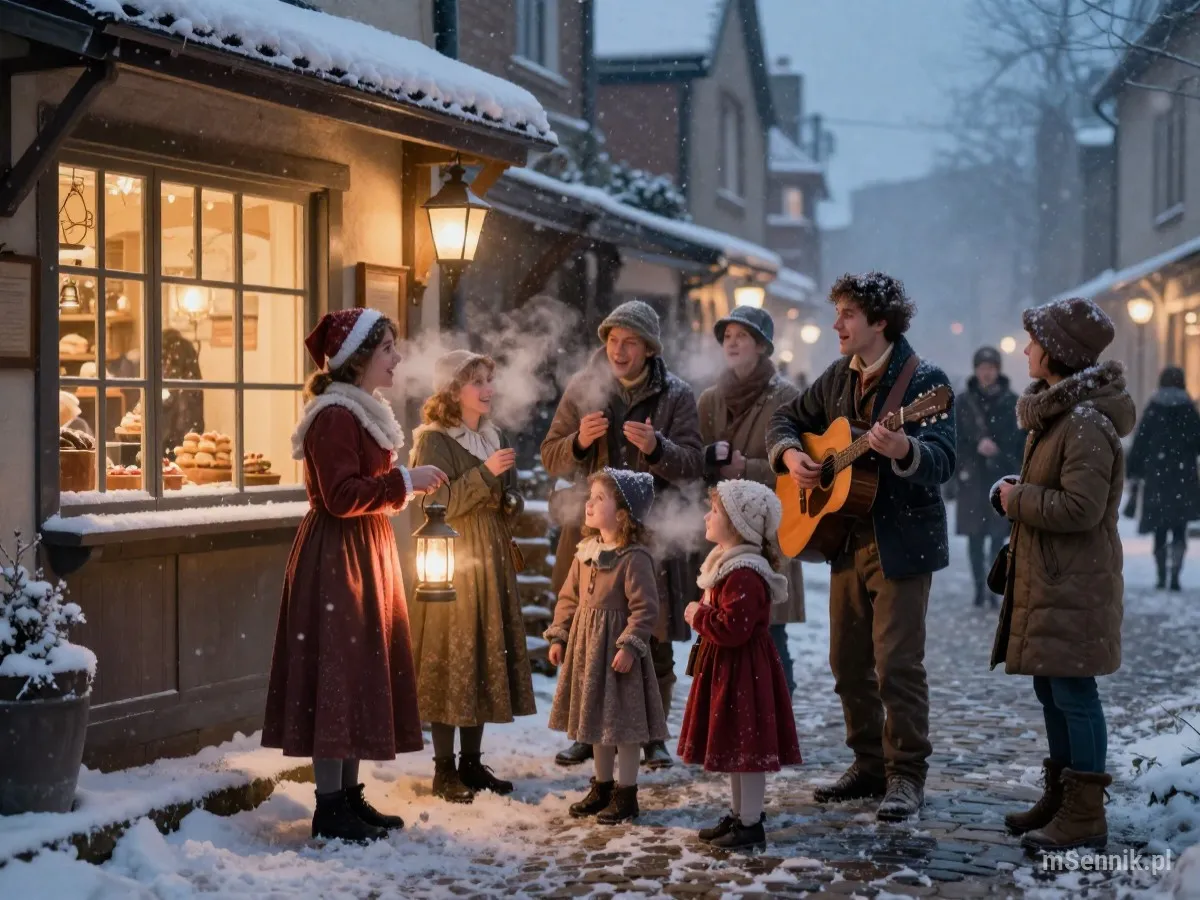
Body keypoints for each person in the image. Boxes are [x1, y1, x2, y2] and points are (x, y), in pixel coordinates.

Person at [766, 271, 956, 821]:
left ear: (879, 321)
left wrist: (904, 450)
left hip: (903, 542)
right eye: (838, 313)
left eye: (848, 314)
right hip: (846, 537)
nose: (836, 324)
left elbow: (944, 458)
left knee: (896, 663)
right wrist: (789, 456)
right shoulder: (837, 377)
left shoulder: (927, 382)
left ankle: (906, 775)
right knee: (847, 662)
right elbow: (787, 419)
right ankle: (869, 763)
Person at [262, 307, 449, 844]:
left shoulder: (361, 410)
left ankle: (347, 796)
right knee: (336, 673)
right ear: (359, 359)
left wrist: (400, 484)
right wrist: (403, 481)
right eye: (388, 348)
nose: (397, 358)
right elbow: (342, 497)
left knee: (357, 669)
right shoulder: (335, 416)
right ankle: (329, 806)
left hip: (361, 550)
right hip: (336, 556)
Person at [992, 297, 1132, 852]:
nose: (1026, 349)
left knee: (1075, 691)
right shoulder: (1061, 416)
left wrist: (1017, 499)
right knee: (1053, 688)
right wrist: (1019, 491)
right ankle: (1061, 798)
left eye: (1033, 340)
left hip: (1075, 582)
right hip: (1054, 580)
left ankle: (1085, 816)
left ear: (1056, 353)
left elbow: (1081, 508)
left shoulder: (1084, 422)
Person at [541, 300, 703, 770]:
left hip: (654, 536)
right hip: (592, 533)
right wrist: (578, 443)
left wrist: (657, 448)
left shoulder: (676, 395)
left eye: (629, 342)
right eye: (612, 340)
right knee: (587, 635)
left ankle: (653, 736)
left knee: (652, 636)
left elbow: (694, 464)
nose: (619, 349)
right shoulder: (583, 388)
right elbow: (552, 456)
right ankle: (586, 733)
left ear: (649, 349)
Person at [408, 351, 537, 803]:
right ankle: (444, 769)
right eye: (475, 381)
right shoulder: (434, 440)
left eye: (489, 380)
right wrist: (486, 474)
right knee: (451, 654)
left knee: (483, 650)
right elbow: (432, 505)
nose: (487, 388)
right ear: (452, 389)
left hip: (491, 553)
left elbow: (510, 492)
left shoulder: (492, 434)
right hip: (453, 557)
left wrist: (510, 500)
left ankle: (471, 763)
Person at [678, 480, 802, 849]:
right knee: (736, 747)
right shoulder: (726, 565)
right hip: (729, 670)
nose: (706, 515)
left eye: (714, 511)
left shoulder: (745, 572)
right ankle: (739, 815)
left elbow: (734, 628)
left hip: (745, 672)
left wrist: (699, 616)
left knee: (747, 751)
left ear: (738, 523)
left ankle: (750, 822)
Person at [545, 468, 668, 825]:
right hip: (587, 649)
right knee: (596, 720)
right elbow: (568, 597)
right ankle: (601, 786)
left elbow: (646, 609)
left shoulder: (634, 558)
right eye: (590, 497)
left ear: (624, 513)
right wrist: (560, 634)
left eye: (600, 499)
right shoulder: (585, 552)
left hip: (617, 654)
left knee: (624, 726)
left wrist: (630, 646)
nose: (589, 503)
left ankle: (626, 794)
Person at [697, 305, 806, 695]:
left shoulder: (788, 397)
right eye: (727, 337)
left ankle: (776, 724)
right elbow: (696, 458)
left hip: (769, 534)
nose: (732, 343)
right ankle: (734, 727)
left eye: (742, 336)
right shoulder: (710, 399)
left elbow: (802, 470)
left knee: (770, 635)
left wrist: (750, 468)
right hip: (725, 535)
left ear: (762, 346)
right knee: (723, 632)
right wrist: (709, 462)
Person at [955, 346, 1025, 607]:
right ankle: (977, 590)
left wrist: (997, 448)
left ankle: (993, 588)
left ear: (998, 370)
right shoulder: (963, 402)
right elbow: (954, 439)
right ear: (976, 370)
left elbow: (1019, 441)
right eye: (983, 368)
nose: (987, 373)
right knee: (975, 538)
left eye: (991, 368)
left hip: (1001, 477)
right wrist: (975, 447)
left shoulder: (1012, 401)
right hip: (972, 478)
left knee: (998, 538)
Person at [1126, 366, 1200, 591]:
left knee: (1159, 529)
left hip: (1157, 477)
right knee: (1179, 528)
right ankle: (1175, 575)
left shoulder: (1153, 409)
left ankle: (1160, 575)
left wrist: (1134, 471)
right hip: (1183, 478)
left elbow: (1140, 444)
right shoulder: (1189, 411)